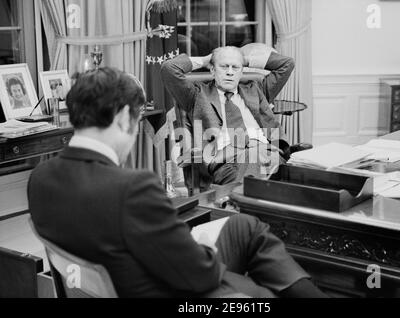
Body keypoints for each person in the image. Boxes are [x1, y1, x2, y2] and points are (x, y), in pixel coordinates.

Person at [28, 67, 327, 298]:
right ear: (122, 118)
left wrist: (184, 243)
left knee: (244, 226)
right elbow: (200, 276)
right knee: (261, 296)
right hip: (175, 290)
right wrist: (199, 245)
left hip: (143, 270)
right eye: (136, 122)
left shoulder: (40, 178)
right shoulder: (131, 188)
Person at [161, 43, 294, 185]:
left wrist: (244, 59)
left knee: (303, 169)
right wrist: (207, 59)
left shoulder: (256, 89)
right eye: (224, 66)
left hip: (268, 154)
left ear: (242, 72)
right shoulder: (197, 94)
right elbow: (169, 69)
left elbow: (287, 64)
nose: (230, 72)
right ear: (212, 70)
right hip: (228, 161)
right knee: (260, 165)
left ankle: (238, 200)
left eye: (235, 67)